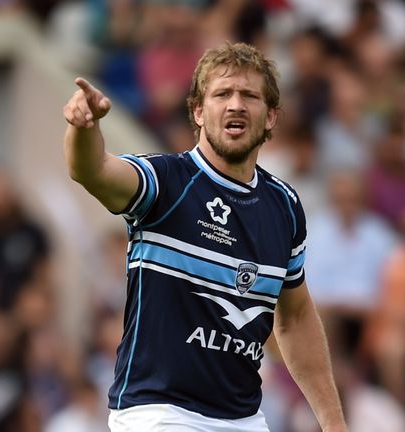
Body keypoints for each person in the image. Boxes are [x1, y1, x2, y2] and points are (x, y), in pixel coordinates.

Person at [62, 42, 347, 431]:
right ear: (198, 111)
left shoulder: (284, 206)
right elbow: (92, 171)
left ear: (271, 117)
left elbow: (295, 320)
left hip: (244, 419)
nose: (236, 105)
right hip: (160, 414)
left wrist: (334, 424)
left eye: (249, 95)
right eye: (222, 94)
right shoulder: (165, 183)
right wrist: (83, 129)